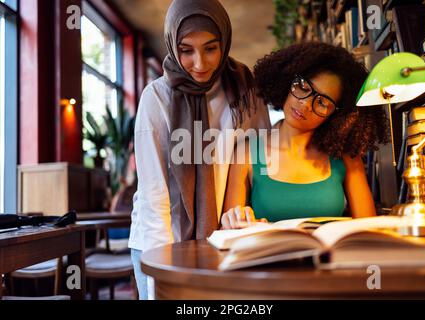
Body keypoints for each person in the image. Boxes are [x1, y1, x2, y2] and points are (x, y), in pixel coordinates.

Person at [128, 0, 270, 299]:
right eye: (186, 50)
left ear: (225, 42)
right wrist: (162, 277)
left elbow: (256, 164)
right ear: (172, 46)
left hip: (223, 238)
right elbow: (154, 198)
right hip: (161, 237)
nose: (200, 63)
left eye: (210, 48)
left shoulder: (244, 90)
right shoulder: (156, 98)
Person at [221, 42, 389, 229]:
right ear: (286, 81)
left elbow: (369, 230)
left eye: (322, 102)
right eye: (303, 86)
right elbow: (229, 232)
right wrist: (234, 220)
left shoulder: (344, 156)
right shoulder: (247, 153)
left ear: (337, 115)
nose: (306, 104)